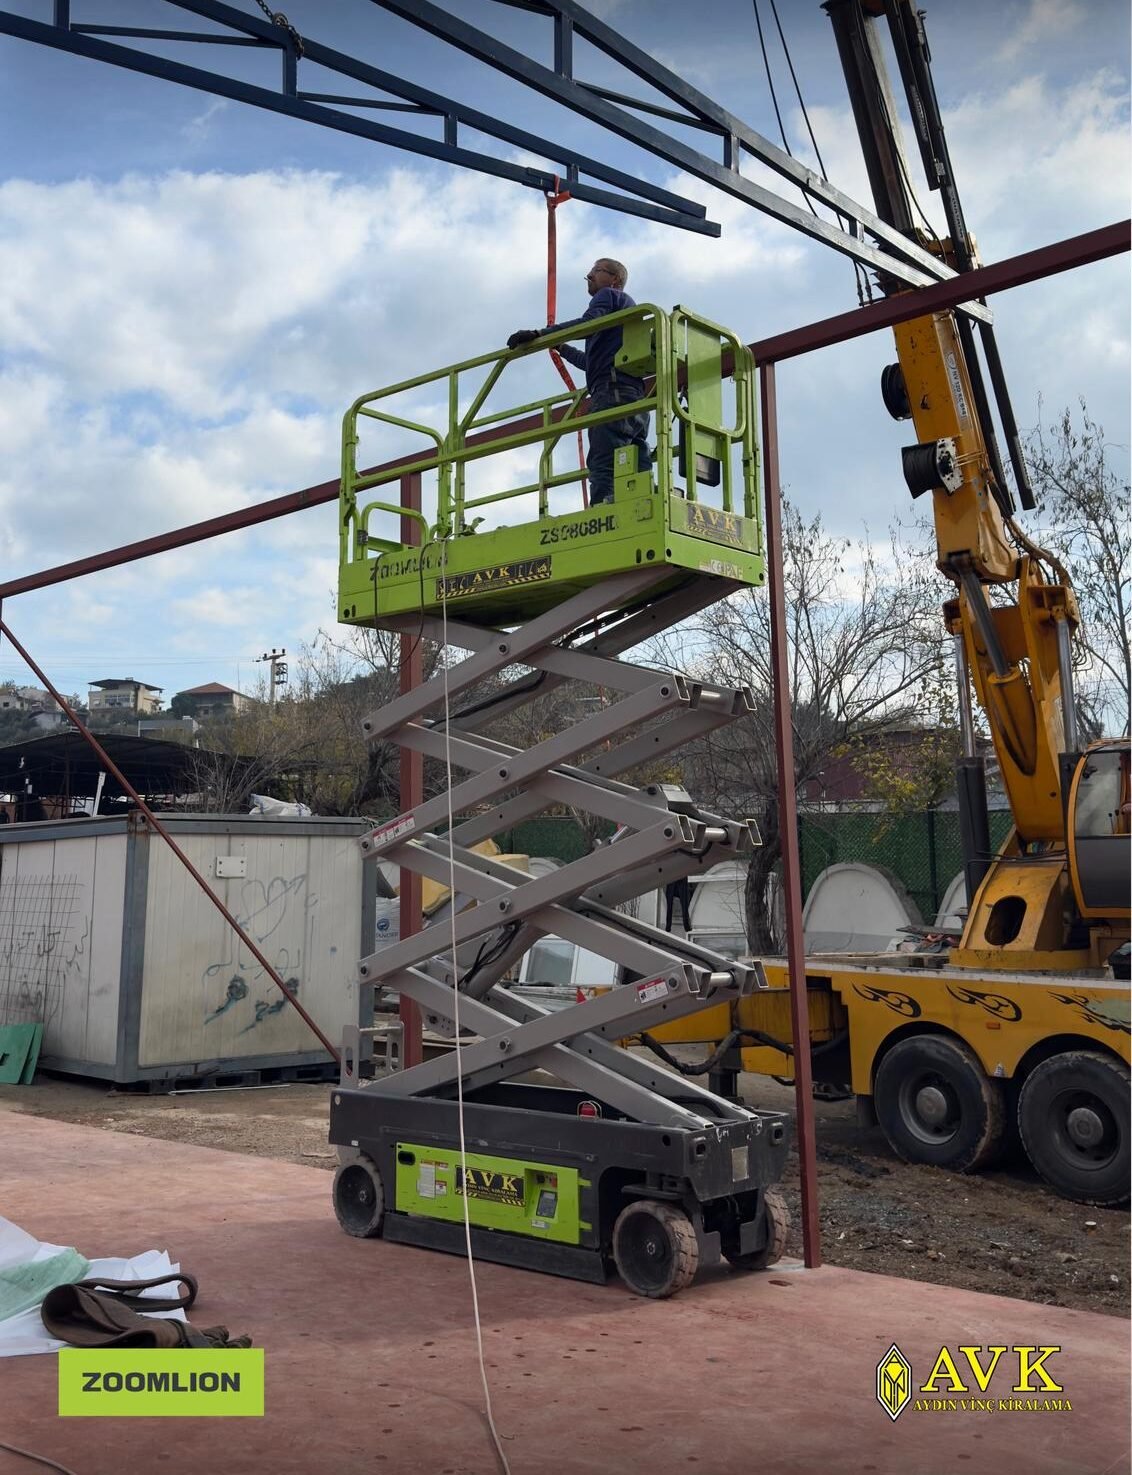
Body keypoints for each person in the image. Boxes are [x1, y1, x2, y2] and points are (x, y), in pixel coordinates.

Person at [507, 258, 652, 505]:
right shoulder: (619, 317)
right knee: (636, 461)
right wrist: (561, 346)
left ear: (614, 279)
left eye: (597, 270)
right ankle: (644, 502)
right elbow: (591, 363)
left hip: (611, 394)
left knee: (603, 461)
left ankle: (602, 513)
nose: (589, 275)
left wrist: (541, 334)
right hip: (632, 398)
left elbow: (588, 324)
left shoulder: (609, 296)